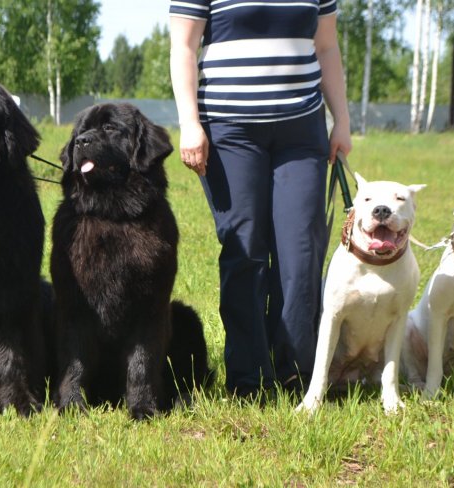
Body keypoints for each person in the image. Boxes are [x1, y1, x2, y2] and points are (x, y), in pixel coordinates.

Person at [169, 0, 352, 399]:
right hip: (229, 129)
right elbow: (183, 47)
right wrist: (189, 123)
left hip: (302, 131)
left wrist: (341, 119)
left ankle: (297, 373)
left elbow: (326, 47)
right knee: (245, 250)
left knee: (300, 252)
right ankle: (248, 378)